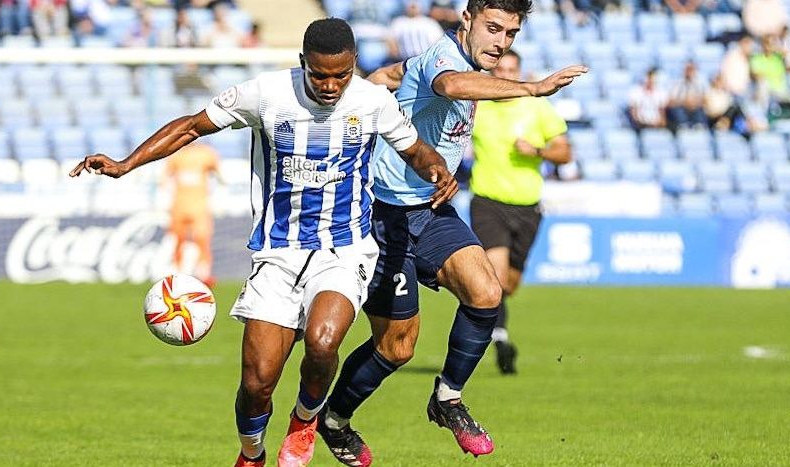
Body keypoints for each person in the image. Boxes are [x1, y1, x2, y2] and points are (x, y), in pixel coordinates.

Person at [68, 18, 459, 467]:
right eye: (319, 75)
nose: (331, 86)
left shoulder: (372, 102)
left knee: (323, 339)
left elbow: (415, 149)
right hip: (277, 253)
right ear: (302, 64)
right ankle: (251, 454)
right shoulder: (265, 94)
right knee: (257, 383)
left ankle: (305, 419)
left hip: (344, 249)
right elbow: (192, 127)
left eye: (341, 75)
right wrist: (125, 163)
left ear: (353, 64)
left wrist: (437, 170)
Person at [316, 1, 587, 465]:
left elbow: (393, 76)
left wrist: (369, 89)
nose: (501, 42)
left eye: (511, 34)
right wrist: (533, 88)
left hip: (432, 208)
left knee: (486, 292)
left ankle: (447, 398)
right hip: (383, 215)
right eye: (493, 28)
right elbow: (448, 84)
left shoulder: (453, 65)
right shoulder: (446, 59)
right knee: (397, 346)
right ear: (467, 21)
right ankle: (333, 419)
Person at [469, 49, 571, 375]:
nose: (506, 76)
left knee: (509, 285)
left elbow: (565, 153)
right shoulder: (477, 106)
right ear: (492, 73)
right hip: (487, 202)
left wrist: (537, 150)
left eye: (512, 70)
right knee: (496, 279)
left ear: (521, 73)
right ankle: (500, 339)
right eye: (501, 70)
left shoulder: (538, 108)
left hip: (527, 207)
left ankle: (495, 324)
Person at [163, 141, 221, 288]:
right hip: (179, 205)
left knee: (202, 239)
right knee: (178, 240)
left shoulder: (206, 153)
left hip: (200, 205)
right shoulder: (176, 154)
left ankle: (204, 274)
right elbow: (165, 178)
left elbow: (219, 174)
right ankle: (177, 274)